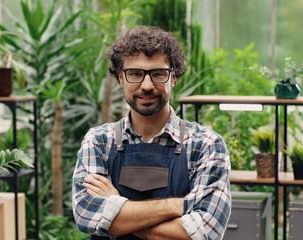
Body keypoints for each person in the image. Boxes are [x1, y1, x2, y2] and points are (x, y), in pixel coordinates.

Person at [72, 25, 231, 240]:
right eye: (135, 73)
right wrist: (177, 206)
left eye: (158, 74)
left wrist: (118, 213)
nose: (147, 85)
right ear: (120, 77)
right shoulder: (99, 142)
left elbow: (204, 232)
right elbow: (86, 215)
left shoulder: (206, 145)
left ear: (173, 77)